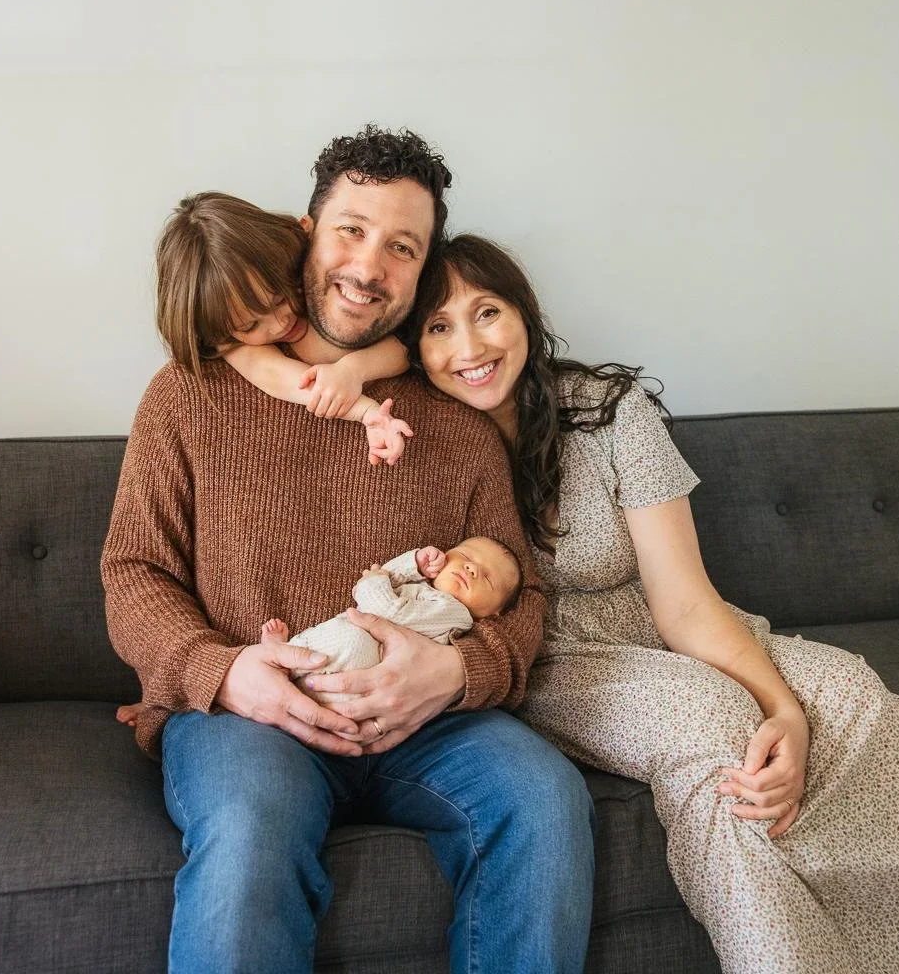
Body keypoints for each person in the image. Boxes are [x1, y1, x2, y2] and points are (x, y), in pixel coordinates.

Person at [334, 232, 899, 973]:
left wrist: (782, 710)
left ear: (523, 312)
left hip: (661, 627)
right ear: (411, 345)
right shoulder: (405, 431)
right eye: (437, 326)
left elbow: (683, 601)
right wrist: (364, 362)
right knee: (713, 728)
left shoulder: (604, 408)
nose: (469, 345)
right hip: (548, 656)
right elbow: (295, 359)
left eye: (486, 312)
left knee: (846, 694)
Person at [101, 130, 595, 974]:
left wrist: (459, 673)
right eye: (352, 231)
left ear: (421, 263)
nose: (370, 266)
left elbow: (521, 590)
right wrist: (220, 673)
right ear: (305, 231)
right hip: (251, 718)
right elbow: (133, 572)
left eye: (401, 246)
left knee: (544, 800)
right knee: (250, 830)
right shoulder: (188, 390)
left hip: (429, 726)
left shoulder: (455, 412)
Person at [152, 190, 413, 464]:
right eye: (250, 324)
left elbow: (406, 347)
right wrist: (366, 412)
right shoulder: (232, 347)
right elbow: (283, 379)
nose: (279, 324)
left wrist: (353, 370)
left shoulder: (338, 292)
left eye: (280, 299)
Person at [269, 537, 523, 697]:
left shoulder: (455, 614)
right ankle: (285, 657)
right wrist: (414, 564)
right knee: (346, 638)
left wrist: (373, 582)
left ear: (493, 613)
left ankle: (285, 661)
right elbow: (377, 581)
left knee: (352, 639)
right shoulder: (422, 587)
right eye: (466, 556)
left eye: (488, 577)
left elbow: (387, 611)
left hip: (368, 662)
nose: (471, 568)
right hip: (357, 658)